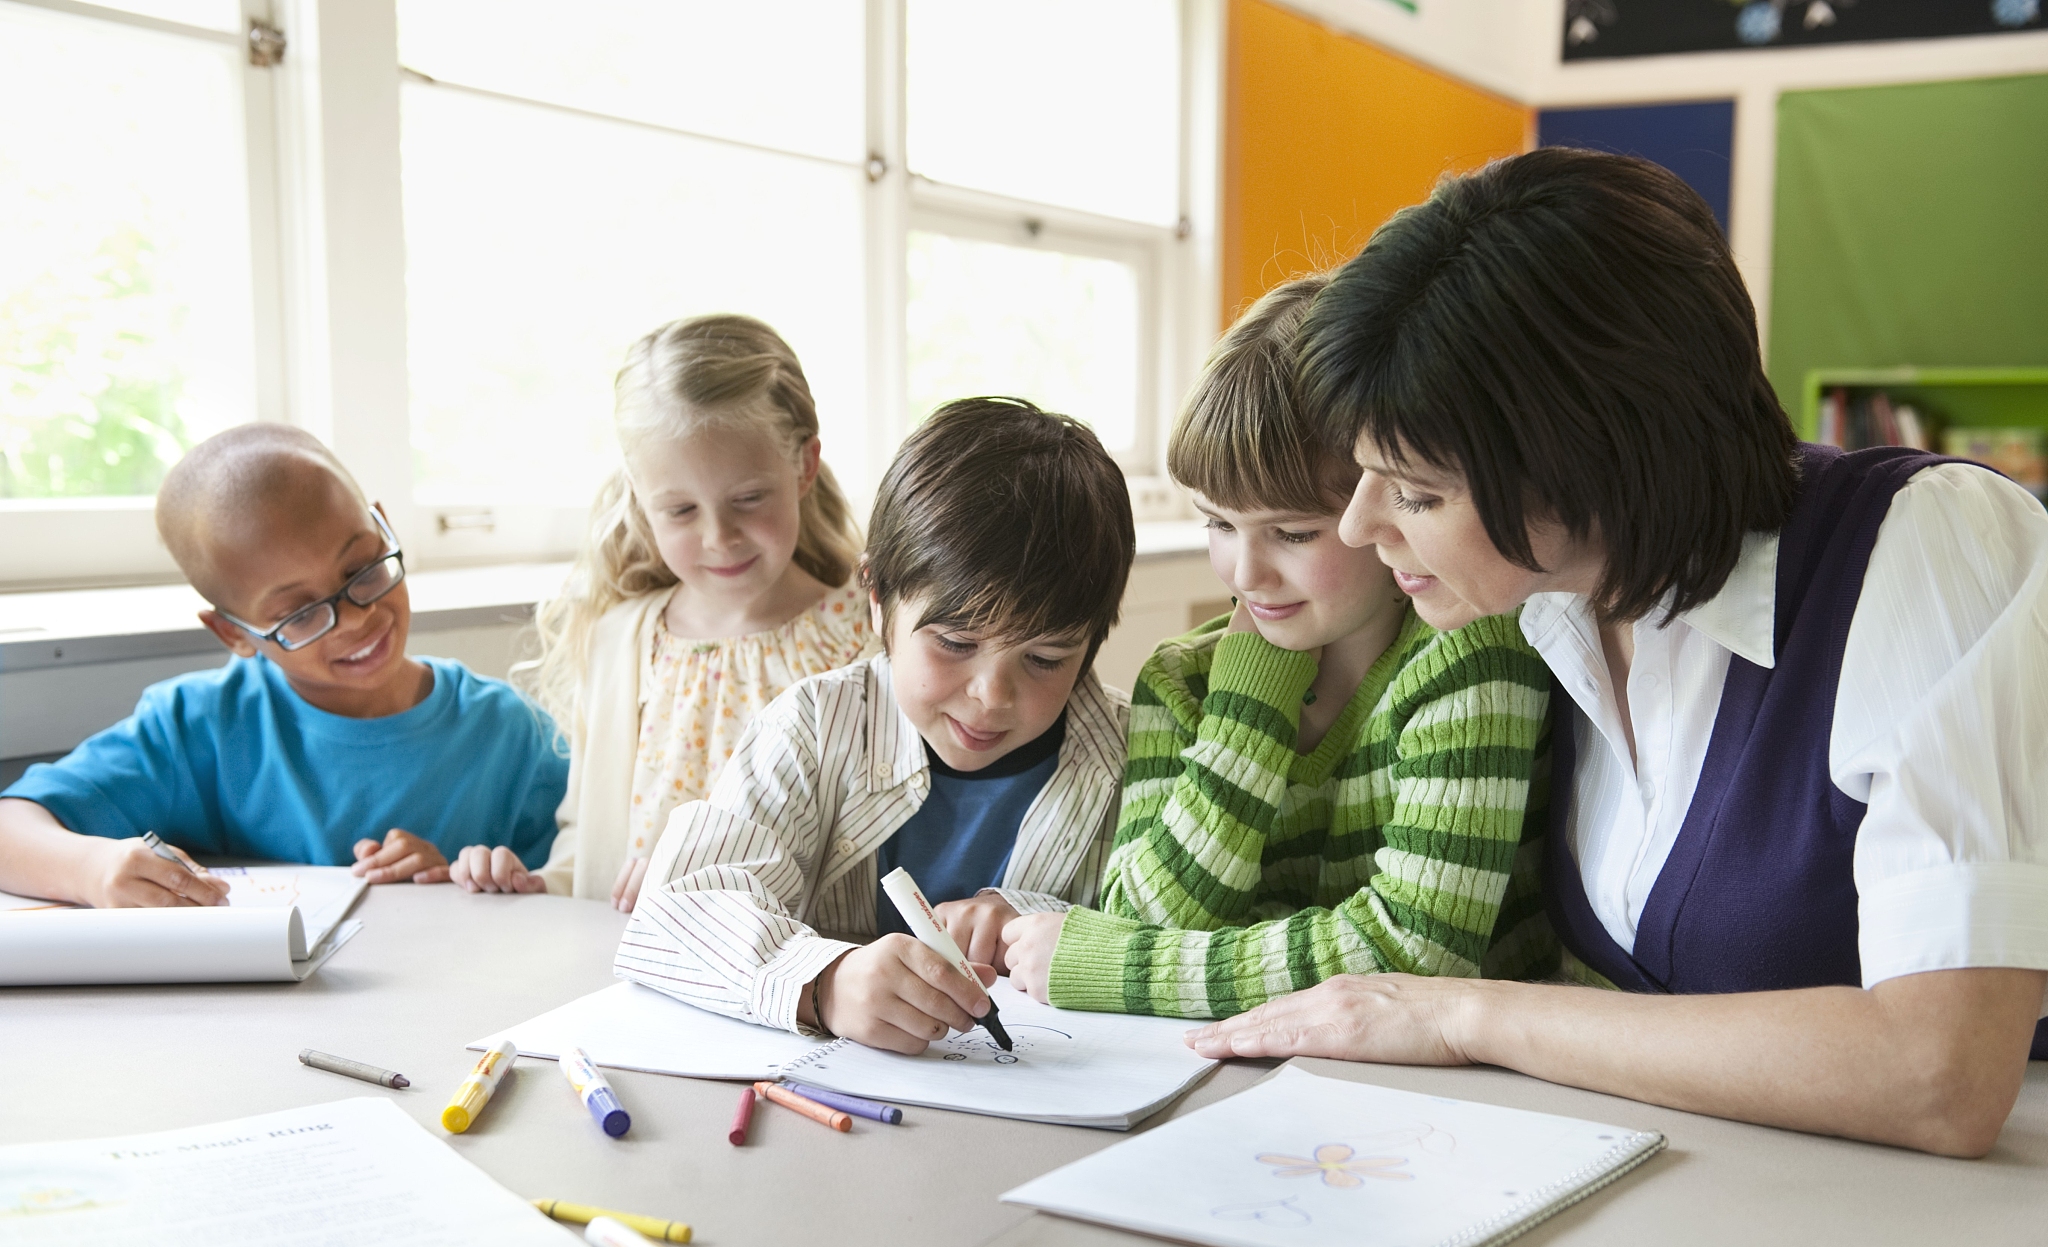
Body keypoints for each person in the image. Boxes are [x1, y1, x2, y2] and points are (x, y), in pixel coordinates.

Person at [1188, 148, 2048, 1157]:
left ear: (1592, 463)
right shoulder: (1539, 606)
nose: (1356, 526)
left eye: (1416, 491)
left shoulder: (1922, 545)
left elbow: (1937, 1073)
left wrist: (1464, 1015)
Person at [998, 276, 1554, 1017]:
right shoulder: (1183, 680)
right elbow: (1141, 912)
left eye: (1292, 533)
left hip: (1454, 1091)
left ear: (1386, 500)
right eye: (1219, 525)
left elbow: (1413, 956)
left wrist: (1117, 965)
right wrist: (1251, 702)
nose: (1245, 573)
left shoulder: (1471, 650)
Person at [614, 397, 1135, 1054]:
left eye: (1045, 658)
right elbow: (679, 912)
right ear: (877, 596)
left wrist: (1049, 925)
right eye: (953, 642)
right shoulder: (812, 726)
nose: (991, 695)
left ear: (1092, 642)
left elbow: (1180, 936)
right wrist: (825, 981)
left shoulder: (1134, 752)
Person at [0, 423, 566, 907]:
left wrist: (462, 882)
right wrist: (94, 870)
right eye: (299, 613)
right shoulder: (197, 728)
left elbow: (570, 891)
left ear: (383, 527)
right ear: (234, 633)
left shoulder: (512, 735)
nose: (354, 619)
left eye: (363, 569)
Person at [452, 315, 873, 911]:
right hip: (631, 980)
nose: (718, 537)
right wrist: (532, 884)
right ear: (640, 494)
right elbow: (588, 848)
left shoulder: (865, 639)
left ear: (804, 467)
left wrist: (706, 875)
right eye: (679, 510)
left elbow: (872, 860)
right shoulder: (621, 641)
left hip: (789, 987)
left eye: (749, 499)